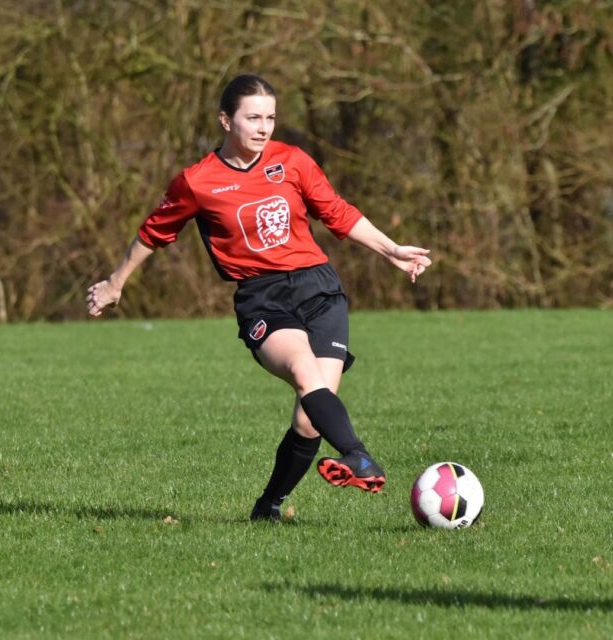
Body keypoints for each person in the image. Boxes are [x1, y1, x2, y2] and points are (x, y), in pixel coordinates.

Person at [87, 74, 431, 522]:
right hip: (263, 299)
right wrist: (116, 283)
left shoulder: (292, 160)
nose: (264, 126)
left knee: (310, 418)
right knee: (307, 375)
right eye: (253, 117)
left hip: (319, 290)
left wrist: (393, 251)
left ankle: (268, 507)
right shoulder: (197, 181)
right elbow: (154, 234)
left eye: (270, 117)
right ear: (226, 120)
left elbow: (337, 213)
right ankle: (358, 456)